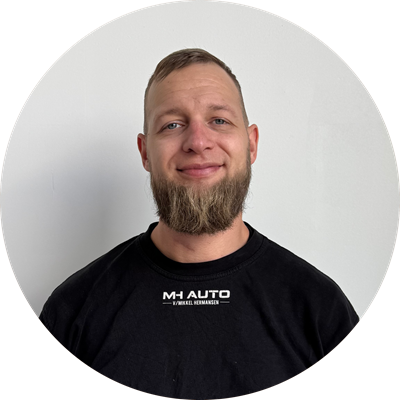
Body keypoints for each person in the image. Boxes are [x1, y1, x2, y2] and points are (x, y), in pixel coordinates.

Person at [39, 48, 359, 399]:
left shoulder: (319, 309)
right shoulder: (74, 310)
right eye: (172, 125)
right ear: (145, 153)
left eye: (219, 120)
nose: (198, 142)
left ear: (251, 144)